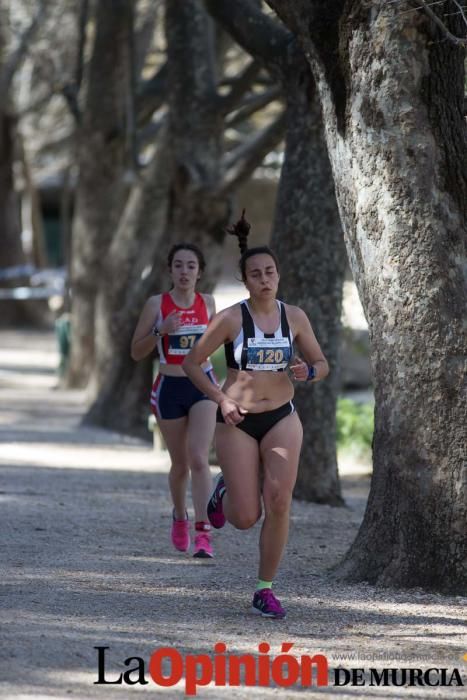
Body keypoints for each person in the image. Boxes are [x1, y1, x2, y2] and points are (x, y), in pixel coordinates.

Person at [183, 212, 329, 618]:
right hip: (237, 419)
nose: (264, 278)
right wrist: (220, 399)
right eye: (256, 274)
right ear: (245, 280)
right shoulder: (230, 319)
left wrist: (309, 371)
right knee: (246, 517)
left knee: (279, 499)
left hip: (282, 415)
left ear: (278, 275)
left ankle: (264, 588)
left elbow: (321, 363)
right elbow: (194, 363)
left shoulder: (294, 317)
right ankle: (224, 491)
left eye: (270, 272)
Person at [131, 244, 217, 558]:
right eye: (178, 265)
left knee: (199, 459)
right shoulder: (157, 304)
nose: (184, 272)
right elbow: (136, 352)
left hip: (203, 386)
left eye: (190, 266)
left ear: (199, 271)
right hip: (169, 386)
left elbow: (221, 343)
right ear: (170, 270)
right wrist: (160, 331)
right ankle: (180, 517)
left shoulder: (208, 303)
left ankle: (203, 533)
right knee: (180, 464)